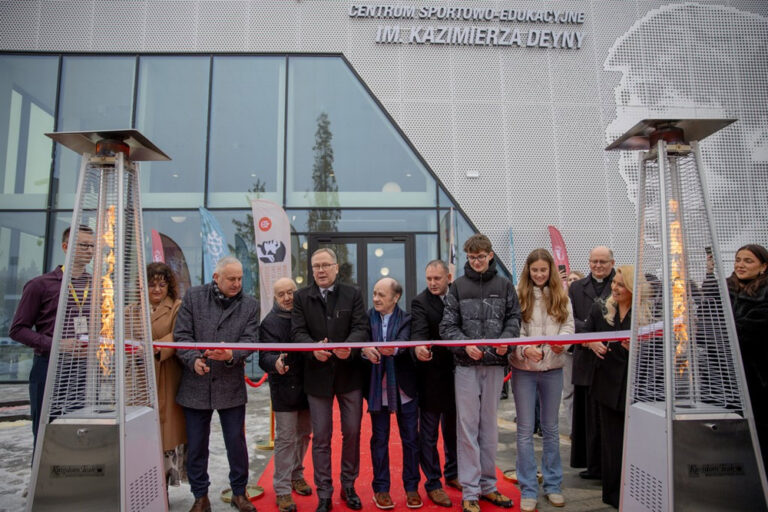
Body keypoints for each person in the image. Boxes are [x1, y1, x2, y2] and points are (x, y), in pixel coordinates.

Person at [439, 233, 520, 512]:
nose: (476, 261)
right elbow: (447, 327)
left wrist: (506, 342)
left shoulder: (505, 285)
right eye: (472, 257)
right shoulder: (457, 287)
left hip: (495, 365)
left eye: (480, 256)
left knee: (489, 429)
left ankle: (489, 486)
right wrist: (465, 345)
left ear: (490, 255)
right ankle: (470, 490)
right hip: (465, 366)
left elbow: (514, 319)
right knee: (467, 428)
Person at [174, 256, 260, 512]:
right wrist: (193, 361)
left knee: (236, 442)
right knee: (197, 444)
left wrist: (232, 354)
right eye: (231, 279)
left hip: (230, 384)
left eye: (240, 278)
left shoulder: (250, 305)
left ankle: (239, 492)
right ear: (216, 278)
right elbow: (182, 336)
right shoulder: (193, 297)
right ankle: (200, 496)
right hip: (196, 383)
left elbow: (250, 339)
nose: (237, 284)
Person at [291, 248, 370, 512]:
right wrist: (312, 348)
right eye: (316, 266)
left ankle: (349, 485)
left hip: (349, 374)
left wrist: (349, 346)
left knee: (352, 431)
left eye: (326, 265)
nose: (321, 270)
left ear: (336, 267)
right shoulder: (301, 297)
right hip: (317, 376)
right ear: (311, 270)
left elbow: (362, 327)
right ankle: (324, 493)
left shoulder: (353, 293)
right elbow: (297, 332)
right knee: (322, 437)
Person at [9, 225, 94, 454]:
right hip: (48, 367)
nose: (89, 251)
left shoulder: (98, 287)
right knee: (46, 427)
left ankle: (70, 480)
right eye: (83, 245)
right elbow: (17, 330)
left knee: (79, 429)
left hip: (82, 368)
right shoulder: (40, 285)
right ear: (66, 247)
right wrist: (55, 345)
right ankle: (39, 482)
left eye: (92, 246)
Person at [509, 249, 575, 512]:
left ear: (550, 271)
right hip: (524, 369)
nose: (538, 274)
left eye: (543, 270)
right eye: (534, 270)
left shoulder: (561, 296)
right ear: (528, 270)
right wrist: (525, 349)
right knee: (524, 431)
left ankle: (553, 484)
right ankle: (528, 487)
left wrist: (563, 344)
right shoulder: (518, 294)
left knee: (550, 428)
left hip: (553, 369)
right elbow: (514, 329)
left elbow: (568, 326)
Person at [585, 265, 650, 508]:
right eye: (614, 283)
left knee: (635, 442)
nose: (615, 288)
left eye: (621, 284)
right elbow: (583, 332)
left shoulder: (648, 312)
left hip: (636, 388)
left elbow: (661, 349)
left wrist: (638, 350)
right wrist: (591, 343)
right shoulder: (601, 308)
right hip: (607, 386)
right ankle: (612, 493)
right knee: (611, 443)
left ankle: (638, 490)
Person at [362, 277, 421, 509]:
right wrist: (367, 352)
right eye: (374, 293)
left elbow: (406, 342)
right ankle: (381, 489)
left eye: (381, 295)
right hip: (378, 389)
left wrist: (393, 349)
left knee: (410, 439)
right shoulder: (366, 318)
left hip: (403, 388)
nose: (376, 298)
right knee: (379, 440)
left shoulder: (407, 318)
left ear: (395, 298)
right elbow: (361, 341)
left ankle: (412, 487)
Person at [259, 277, 312, 512]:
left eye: (291, 292)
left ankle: (296, 474)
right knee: (285, 439)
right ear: (275, 297)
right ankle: (281, 489)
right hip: (283, 388)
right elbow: (263, 356)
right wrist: (275, 362)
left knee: (304, 434)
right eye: (282, 294)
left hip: (309, 386)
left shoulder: (306, 315)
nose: (288, 297)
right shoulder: (269, 322)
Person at [411, 260, 459, 508]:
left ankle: (454, 473)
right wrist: (419, 346)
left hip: (459, 375)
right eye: (428, 278)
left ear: (448, 277)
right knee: (428, 435)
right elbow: (418, 330)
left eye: (437, 279)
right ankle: (433, 482)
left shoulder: (459, 296)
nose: (432, 283)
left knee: (454, 431)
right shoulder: (420, 302)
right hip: (430, 377)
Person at [569, 246, 615, 479]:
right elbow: (568, 318)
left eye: (602, 262)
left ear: (612, 262)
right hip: (586, 358)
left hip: (611, 358)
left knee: (606, 416)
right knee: (587, 417)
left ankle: (609, 464)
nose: (597, 265)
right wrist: (589, 338)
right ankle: (591, 463)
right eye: (594, 261)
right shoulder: (576, 288)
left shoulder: (620, 284)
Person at [723, 244, 768, 466]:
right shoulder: (725, 289)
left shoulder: (765, 293)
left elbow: (751, 329)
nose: (740, 265)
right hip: (727, 376)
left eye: (748, 261)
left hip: (757, 376)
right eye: (738, 259)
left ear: (763, 266)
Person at [146, 262, 186, 490]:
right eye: (152, 285)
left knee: (165, 435)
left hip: (167, 375)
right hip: (140, 376)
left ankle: (162, 487)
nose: (157, 289)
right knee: (141, 433)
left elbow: (178, 333)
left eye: (162, 284)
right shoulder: (133, 309)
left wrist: (159, 347)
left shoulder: (177, 307)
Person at [561, 269, 584, 432]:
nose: (572, 282)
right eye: (569, 279)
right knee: (568, 392)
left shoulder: (584, 298)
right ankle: (572, 430)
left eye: (575, 279)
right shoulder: (563, 300)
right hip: (568, 353)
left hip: (585, 351)